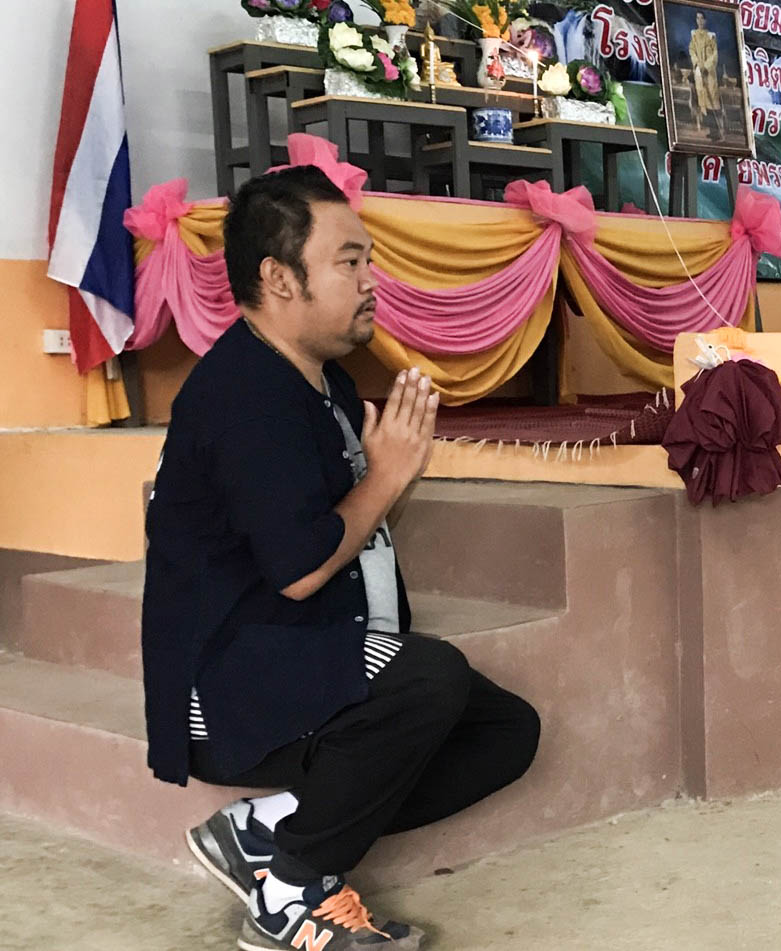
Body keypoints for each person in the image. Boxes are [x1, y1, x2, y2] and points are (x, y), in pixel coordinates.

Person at [142, 166, 541, 951]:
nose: (370, 280)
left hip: (298, 646)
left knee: (505, 731)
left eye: (369, 261)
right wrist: (385, 475)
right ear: (278, 278)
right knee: (430, 679)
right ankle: (291, 890)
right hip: (226, 681)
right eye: (349, 262)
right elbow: (301, 570)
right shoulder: (245, 397)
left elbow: (341, 528)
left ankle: (265, 827)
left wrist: (393, 475)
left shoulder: (317, 379)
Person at [688, 12, 721, 139]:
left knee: (712, 100)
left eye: (702, 18)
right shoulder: (694, 35)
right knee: (703, 100)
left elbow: (715, 54)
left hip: (709, 73)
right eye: (698, 18)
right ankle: (711, 130)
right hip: (699, 73)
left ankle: (717, 131)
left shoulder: (711, 36)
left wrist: (706, 66)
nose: (700, 21)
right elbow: (692, 50)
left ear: (705, 20)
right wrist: (697, 63)